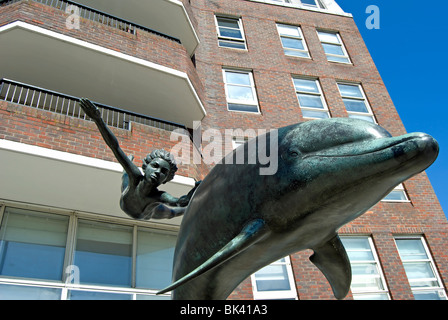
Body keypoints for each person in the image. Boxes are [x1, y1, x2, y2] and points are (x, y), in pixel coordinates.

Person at [79, 98, 200, 220]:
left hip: (147, 213)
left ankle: (192, 208)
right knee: (126, 174)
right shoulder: (135, 176)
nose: (157, 172)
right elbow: (115, 147)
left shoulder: (159, 196)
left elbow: (179, 201)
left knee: (172, 213)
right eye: (155, 166)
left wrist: (196, 190)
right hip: (127, 198)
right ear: (146, 167)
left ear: (165, 180)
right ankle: (128, 163)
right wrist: (98, 120)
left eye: (163, 172)